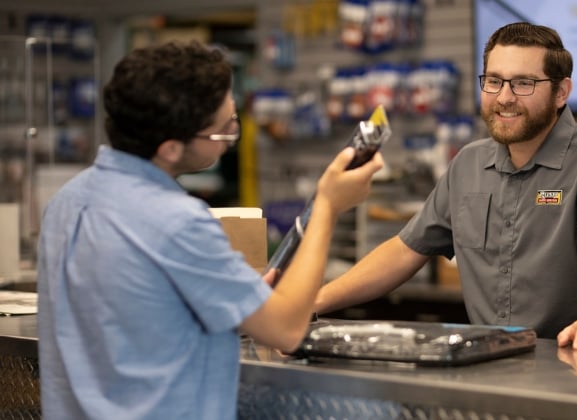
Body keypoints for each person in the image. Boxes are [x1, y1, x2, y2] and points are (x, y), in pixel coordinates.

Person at [37, 41, 383, 420]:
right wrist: (328, 207)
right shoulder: (177, 220)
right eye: (223, 132)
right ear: (170, 148)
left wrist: (233, 298)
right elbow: (285, 330)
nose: (231, 135)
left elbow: (134, 315)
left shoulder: (66, 201)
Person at [315, 22, 577, 351]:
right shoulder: (468, 164)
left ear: (561, 92)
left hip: (575, 360)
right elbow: (404, 251)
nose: (504, 98)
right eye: (494, 81)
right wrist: (312, 302)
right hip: (488, 363)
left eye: (523, 83)